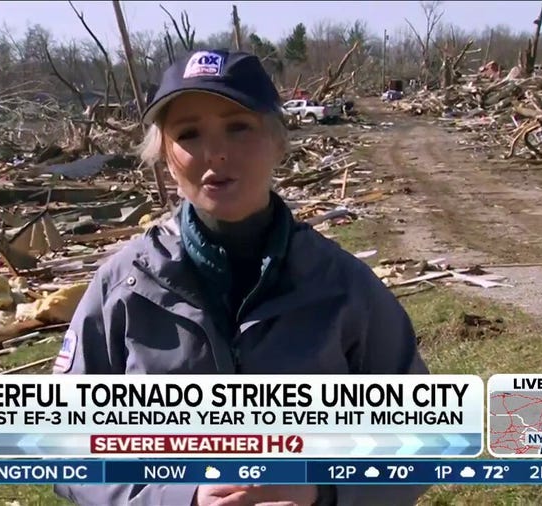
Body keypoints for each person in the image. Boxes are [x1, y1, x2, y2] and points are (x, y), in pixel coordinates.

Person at [53, 49, 430, 506]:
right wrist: (182, 496)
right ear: (165, 156)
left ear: (277, 141)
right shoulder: (124, 289)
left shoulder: (343, 287)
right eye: (188, 134)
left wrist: (324, 490)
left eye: (238, 126)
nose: (216, 152)